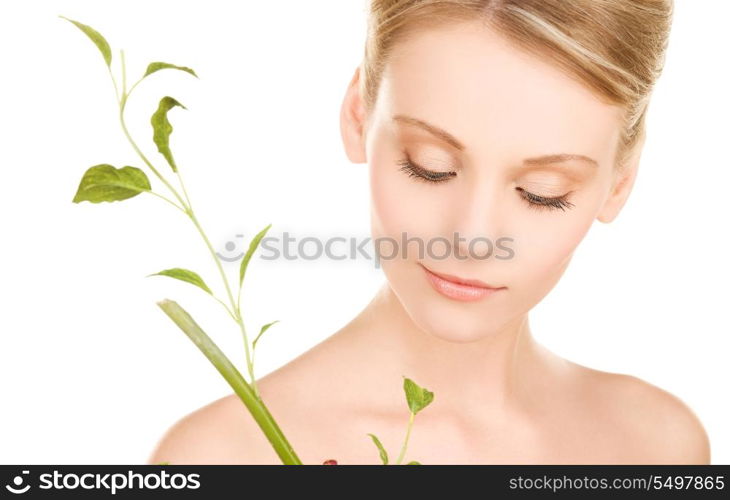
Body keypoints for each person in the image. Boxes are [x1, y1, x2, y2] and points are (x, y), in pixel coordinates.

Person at [148, 0, 711, 465]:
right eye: (429, 165)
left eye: (542, 191)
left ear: (620, 180)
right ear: (357, 114)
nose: (470, 238)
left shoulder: (658, 448)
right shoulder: (221, 458)